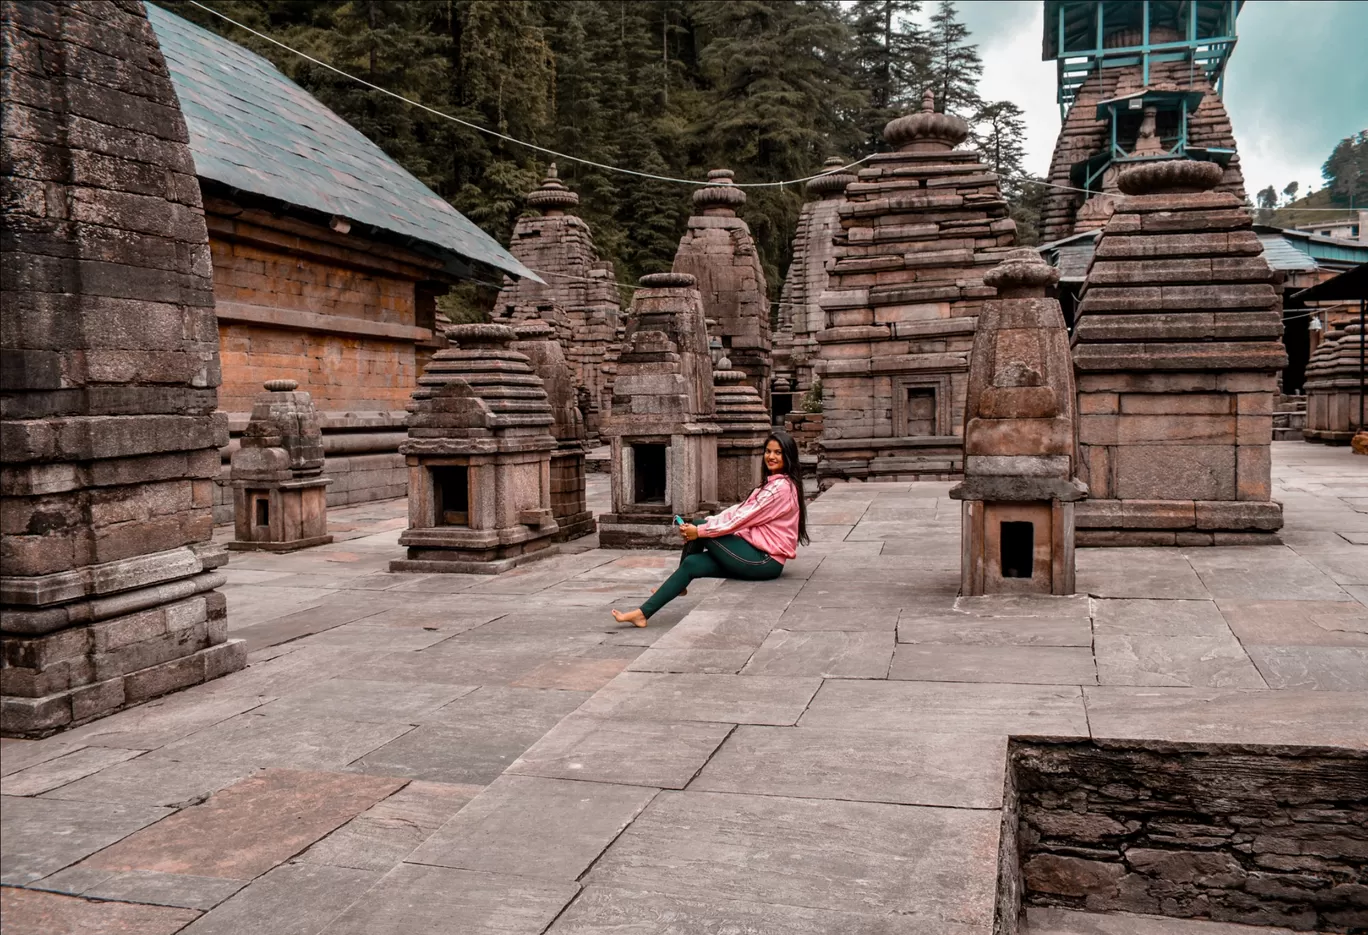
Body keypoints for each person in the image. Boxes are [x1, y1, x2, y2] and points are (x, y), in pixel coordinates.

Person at [611, 430, 809, 628]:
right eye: (768, 451)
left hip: (766, 560)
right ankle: (642, 614)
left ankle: (678, 586)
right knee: (691, 563)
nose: (771, 457)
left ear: (788, 456)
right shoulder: (770, 484)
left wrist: (700, 531)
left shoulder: (781, 489)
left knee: (698, 527)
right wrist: (710, 520)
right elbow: (737, 511)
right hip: (753, 553)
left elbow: (741, 520)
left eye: (778, 452)